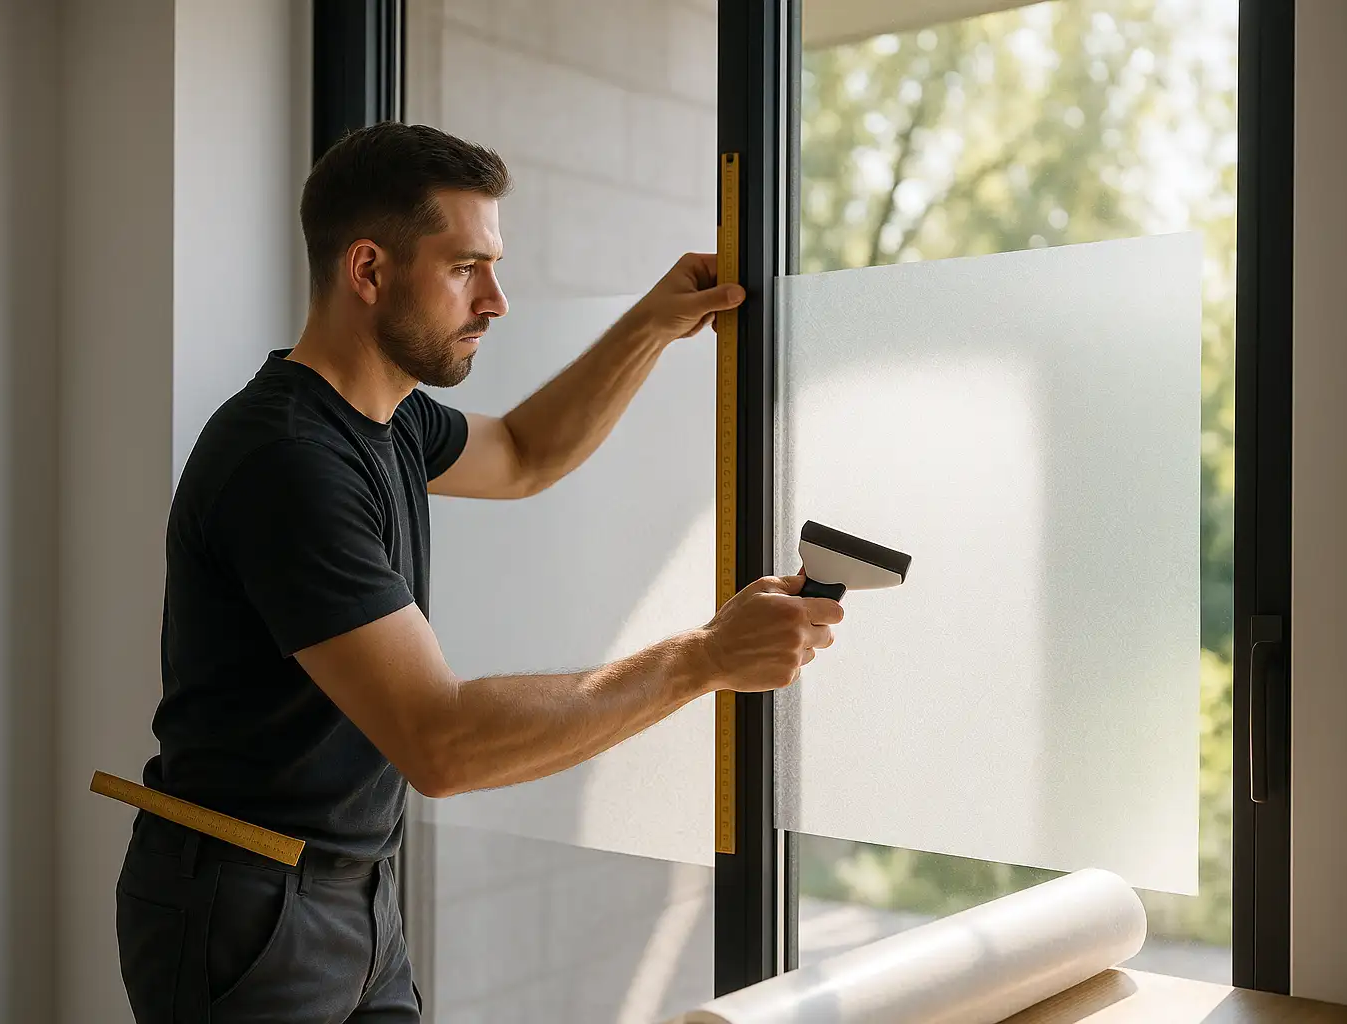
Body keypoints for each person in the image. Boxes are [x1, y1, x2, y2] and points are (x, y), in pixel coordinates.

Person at [114, 121, 844, 1023]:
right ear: (369, 270)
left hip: (351, 892)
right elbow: (442, 743)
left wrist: (651, 326)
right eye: (465, 268)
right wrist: (706, 658)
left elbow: (529, 451)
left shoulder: (391, 421)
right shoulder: (289, 462)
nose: (496, 299)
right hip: (250, 905)